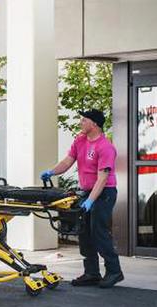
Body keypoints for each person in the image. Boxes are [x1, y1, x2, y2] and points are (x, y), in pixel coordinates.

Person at [41, 109, 124, 288]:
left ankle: (114, 271)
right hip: (87, 192)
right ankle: (91, 273)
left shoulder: (105, 147)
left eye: (84, 120)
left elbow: (102, 179)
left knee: (98, 232)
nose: (81, 123)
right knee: (84, 232)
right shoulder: (80, 140)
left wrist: (91, 201)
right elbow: (67, 161)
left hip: (104, 193)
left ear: (94, 124)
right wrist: (51, 172)